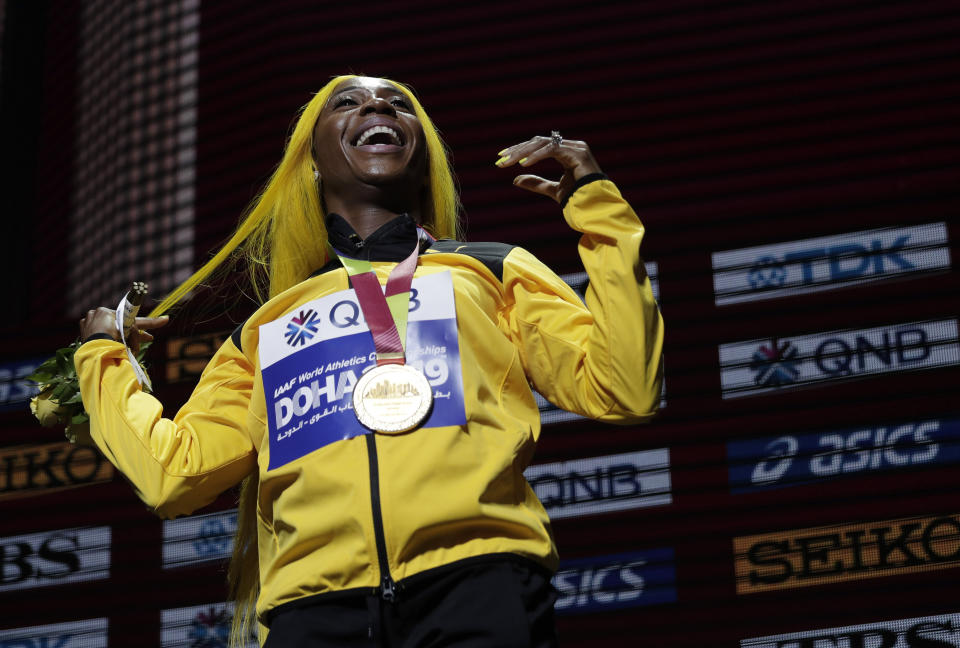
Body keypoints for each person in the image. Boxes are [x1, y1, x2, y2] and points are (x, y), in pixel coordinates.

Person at [76, 75, 664, 648]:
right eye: (348, 103)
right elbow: (173, 476)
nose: (377, 108)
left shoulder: (490, 269)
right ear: (310, 159)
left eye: (398, 103)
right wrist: (103, 358)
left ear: (421, 152)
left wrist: (598, 209)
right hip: (313, 610)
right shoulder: (266, 326)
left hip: (478, 578)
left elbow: (625, 388)